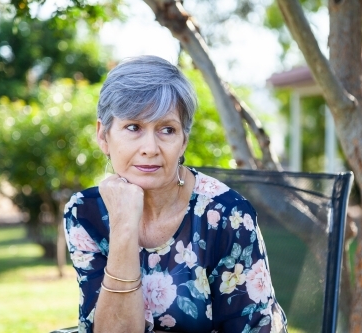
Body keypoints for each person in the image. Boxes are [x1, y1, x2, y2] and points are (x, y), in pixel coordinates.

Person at [63, 55, 287, 333]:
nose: (150, 148)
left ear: (183, 141)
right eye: (133, 127)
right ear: (103, 135)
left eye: (167, 129)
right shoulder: (85, 212)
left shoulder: (228, 216)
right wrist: (123, 226)